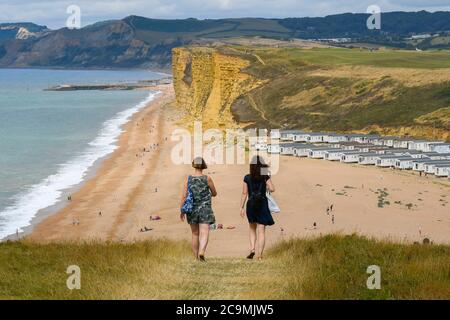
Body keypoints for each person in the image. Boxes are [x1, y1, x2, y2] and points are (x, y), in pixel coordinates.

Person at [180, 157, 217, 261]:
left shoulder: (188, 179)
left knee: (195, 233)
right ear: (203, 165)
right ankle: (202, 252)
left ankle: (196, 258)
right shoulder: (207, 178)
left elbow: (184, 196)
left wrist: (182, 210)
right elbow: (214, 193)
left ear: (193, 165)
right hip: (205, 209)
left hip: (192, 210)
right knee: (205, 232)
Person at [240, 155, 275, 260]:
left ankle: (252, 249)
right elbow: (272, 189)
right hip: (262, 204)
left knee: (252, 228)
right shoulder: (265, 176)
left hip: (251, 204)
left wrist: (241, 207)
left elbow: (244, 193)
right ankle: (259, 255)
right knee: (261, 231)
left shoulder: (247, 177)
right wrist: (267, 187)